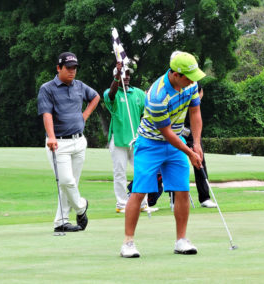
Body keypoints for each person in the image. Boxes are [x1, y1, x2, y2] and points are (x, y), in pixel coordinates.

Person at [120, 51, 206, 258]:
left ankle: (181, 240)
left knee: (182, 190)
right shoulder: (157, 95)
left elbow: (195, 113)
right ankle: (128, 243)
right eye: (189, 76)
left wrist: (197, 143)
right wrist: (189, 152)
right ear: (176, 74)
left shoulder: (191, 85)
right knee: (140, 192)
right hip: (150, 144)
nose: (193, 81)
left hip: (177, 143)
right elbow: (166, 132)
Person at [37, 52, 100, 232]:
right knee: (66, 181)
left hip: (79, 141)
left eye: (74, 68)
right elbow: (46, 114)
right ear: (59, 68)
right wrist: (51, 136)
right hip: (59, 143)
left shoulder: (79, 86)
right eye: (68, 68)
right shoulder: (47, 89)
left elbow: (95, 97)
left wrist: (84, 116)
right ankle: (81, 206)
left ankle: (61, 222)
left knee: (70, 184)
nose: (72, 72)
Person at [103, 62, 158, 214]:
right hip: (119, 139)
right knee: (120, 172)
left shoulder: (138, 93)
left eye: (128, 74)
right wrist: (116, 77)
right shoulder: (111, 92)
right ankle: (121, 204)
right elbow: (111, 95)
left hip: (137, 140)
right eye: (123, 74)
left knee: (142, 171)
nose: (126, 77)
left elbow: (147, 112)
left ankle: (143, 204)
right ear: (116, 75)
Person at [182, 85, 217, 208]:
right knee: (175, 162)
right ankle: (175, 199)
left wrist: (196, 143)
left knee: (199, 160)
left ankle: (204, 198)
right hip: (175, 131)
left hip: (191, 132)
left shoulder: (197, 100)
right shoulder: (180, 96)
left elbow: (196, 119)